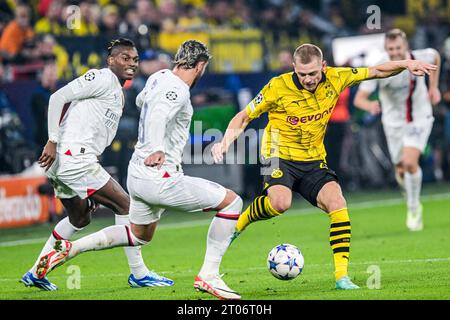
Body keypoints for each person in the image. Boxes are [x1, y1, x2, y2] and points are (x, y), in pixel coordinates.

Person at [211, 43, 437, 290]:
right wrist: (225, 142)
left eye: (313, 73)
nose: (308, 79)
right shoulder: (277, 87)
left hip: (313, 157)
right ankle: (240, 223)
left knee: (338, 203)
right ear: (294, 69)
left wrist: (406, 64)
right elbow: (244, 116)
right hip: (277, 154)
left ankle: (342, 277)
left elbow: (376, 71)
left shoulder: (336, 78)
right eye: (302, 74)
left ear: (323, 67)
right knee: (280, 203)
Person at [36, 40, 243, 300]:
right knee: (232, 202)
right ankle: (209, 276)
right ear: (200, 66)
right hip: (161, 176)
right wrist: (157, 146)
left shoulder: (158, 77)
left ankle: (71, 248)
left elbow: (144, 100)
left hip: (137, 174)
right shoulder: (177, 90)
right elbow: (157, 114)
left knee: (139, 235)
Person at [21, 38, 172, 291]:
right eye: (125, 58)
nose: (132, 63)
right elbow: (57, 97)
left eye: (135, 59)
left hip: (69, 161)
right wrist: (52, 140)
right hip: (72, 157)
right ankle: (139, 273)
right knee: (126, 206)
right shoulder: (100, 78)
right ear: (110, 60)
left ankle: (36, 272)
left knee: (79, 218)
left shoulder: (117, 92)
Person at [354, 29, 441, 232]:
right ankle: (410, 196)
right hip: (393, 123)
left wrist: (433, 87)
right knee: (400, 168)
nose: (394, 52)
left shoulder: (420, 57)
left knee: (410, 163)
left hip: (419, 117)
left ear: (406, 46)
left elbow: (435, 56)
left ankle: (413, 208)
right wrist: (370, 106)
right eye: (390, 48)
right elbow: (360, 99)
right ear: (386, 49)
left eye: (398, 48)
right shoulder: (380, 67)